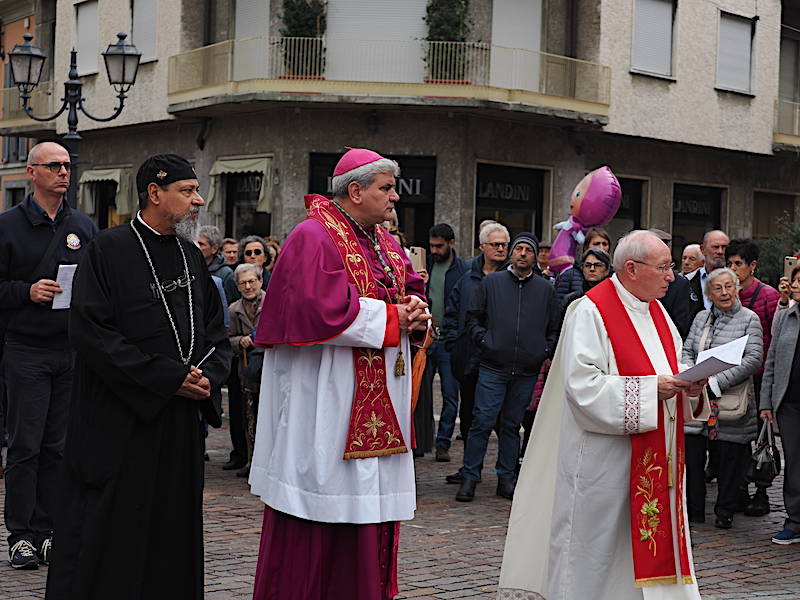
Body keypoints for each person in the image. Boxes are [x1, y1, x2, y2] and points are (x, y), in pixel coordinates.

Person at [45, 154, 232, 600]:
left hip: (179, 421)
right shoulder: (108, 249)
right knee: (114, 528)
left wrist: (207, 375)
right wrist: (165, 377)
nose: (198, 201)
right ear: (154, 193)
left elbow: (214, 330)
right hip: (122, 420)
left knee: (172, 528)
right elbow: (90, 331)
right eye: (187, 192)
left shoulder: (190, 254)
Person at [248, 148, 429, 600]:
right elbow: (317, 308)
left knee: (370, 506)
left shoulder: (384, 241)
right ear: (356, 190)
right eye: (386, 189)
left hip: (378, 397)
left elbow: (405, 288)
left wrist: (416, 312)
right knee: (321, 503)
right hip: (326, 399)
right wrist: (392, 320)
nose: (394, 199)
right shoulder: (313, 236)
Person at [498, 230, 709, 600]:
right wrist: (650, 390)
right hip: (604, 466)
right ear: (631, 268)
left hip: (655, 458)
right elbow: (582, 388)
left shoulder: (656, 310)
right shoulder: (590, 311)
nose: (671, 276)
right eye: (664, 267)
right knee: (599, 557)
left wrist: (689, 385)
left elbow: (674, 364)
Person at [0, 141, 97, 569]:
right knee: (26, 446)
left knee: (59, 447)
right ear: (32, 172)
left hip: (70, 350)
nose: (63, 172)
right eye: (54, 165)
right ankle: (19, 533)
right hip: (26, 350)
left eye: (67, 165)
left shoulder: (83, 226)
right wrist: (27, 291)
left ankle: (48, 529)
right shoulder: (7, 226)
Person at [455, 232, 560, 502]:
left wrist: (544, 350)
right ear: (512, 253)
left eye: (528, 250)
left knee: (512, 425)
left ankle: (506, 477)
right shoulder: (492, 283)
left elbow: (554, 327)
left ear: (535, 256)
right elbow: (473, 317)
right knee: (482, 421)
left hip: (526, 369)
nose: (523, 253)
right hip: (493, 365)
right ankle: (470, 476)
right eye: (519, 249)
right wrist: (484, 340)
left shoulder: (546, 289)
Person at [682, 268, 762, 528]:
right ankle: (694, 511)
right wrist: (690, 376)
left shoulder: (749, 319)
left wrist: (716, 383)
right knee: (694, 456)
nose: (725, 292)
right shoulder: (702, 318)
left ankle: (724, 511)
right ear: (709, 293)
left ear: (737, 288)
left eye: (729, 286)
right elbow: (687, 350)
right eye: (718, 288)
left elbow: (752, 359)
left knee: (730, 460)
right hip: (697, 399)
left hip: (730, 401)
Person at [442, 222, 510, 485]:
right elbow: (452, 310)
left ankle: (506, 472)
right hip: (468, 358)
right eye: (496, 244)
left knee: (500, 419)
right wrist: (452, 343)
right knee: (470, 415)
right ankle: (470, 469)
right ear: (482, 246)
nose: (501, 249)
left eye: (504, 244)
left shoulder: (512, 276)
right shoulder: (467, 277)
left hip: (500, 360)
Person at [724, 238, 780, 516]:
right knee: (736, 436)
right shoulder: (725, 294)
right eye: (729, 263)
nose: (733, 269)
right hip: (734, 376)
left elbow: (775, 334)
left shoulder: (767, 296)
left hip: (759, 377)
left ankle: (761, 492)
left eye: (738, 264)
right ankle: (739, 489)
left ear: (752, 266)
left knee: (762, 437)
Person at [760, 263, 800, 544]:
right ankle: (795, 520)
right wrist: (767, 402)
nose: (796, 284)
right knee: (795, 464)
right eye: (795, 279)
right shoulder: (786, 317)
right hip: (791, 405)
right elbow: (771, 362)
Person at [423, 223, 468, 463]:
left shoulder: (463, 270)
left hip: (449, 342)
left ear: (451, 244)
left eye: (439, 246)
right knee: (422, 394)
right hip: (426, 340)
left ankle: (443, 443)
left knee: (451, 396)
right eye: (431, 246)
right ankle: (421, 441)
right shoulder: (425, 265)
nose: (435, 250)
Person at [228, 263, 265, 478]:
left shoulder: (272, 303)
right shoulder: (234, 310)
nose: (248, 286)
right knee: (247, 415)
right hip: (244, 368)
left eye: (252, 281)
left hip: (267, 368)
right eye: (243, 283)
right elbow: (227, 337)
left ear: (260, 281)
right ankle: (248, 458)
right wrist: (239, 341)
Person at [554, 226, 611, 300]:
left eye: (604, 244)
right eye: (596, 244)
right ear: (586, 247)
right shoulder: (570, 274)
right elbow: (559, 304)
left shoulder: (615, 275)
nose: (601, 247)